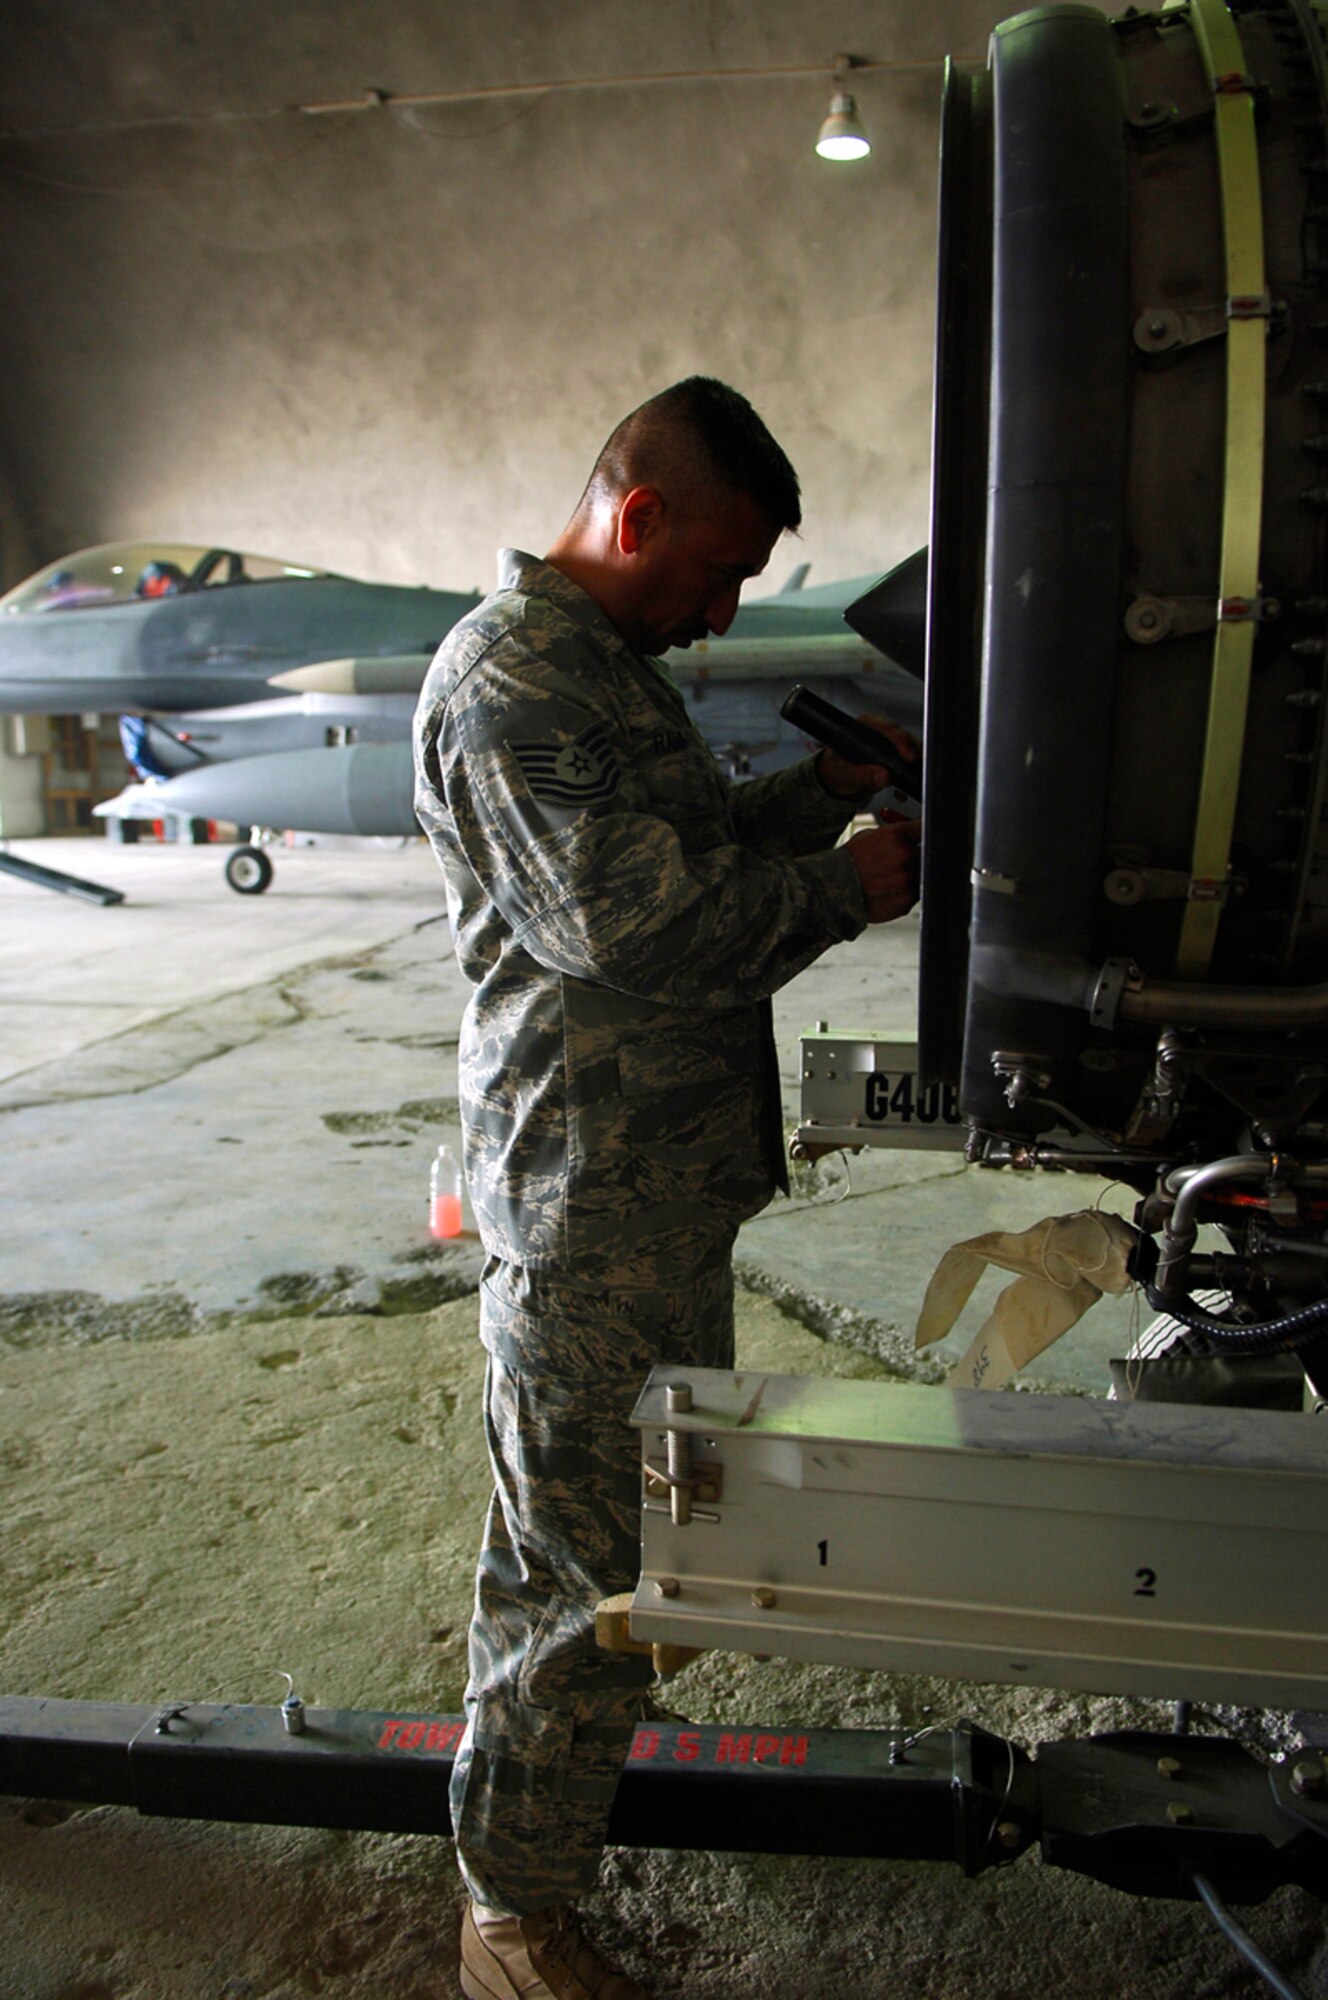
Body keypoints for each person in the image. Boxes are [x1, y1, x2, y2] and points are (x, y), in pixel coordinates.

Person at [412, 376, 921, 2000]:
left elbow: (682, 852)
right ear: (635, 519)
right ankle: (512, 1923)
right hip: (584, 1214)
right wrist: (844, 888)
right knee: (572, 1583)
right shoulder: (512, 683)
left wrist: (832, 801)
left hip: (652, 1197)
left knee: (627, 1550)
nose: (718, 617)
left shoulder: (595, 668)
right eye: (714, 576)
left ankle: (545, 1851)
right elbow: (638, 930)